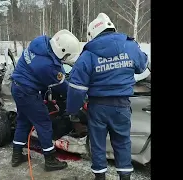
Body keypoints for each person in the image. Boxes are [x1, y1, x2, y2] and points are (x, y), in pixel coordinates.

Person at [66, 13, 149, 180]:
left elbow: (76, 87)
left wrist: (72, 110)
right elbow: (142, 66)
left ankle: (100, 177)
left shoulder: (88, 55)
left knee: (98, 144)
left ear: (93, 34)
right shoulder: (130, 46)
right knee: (122, 142)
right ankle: (125, 177)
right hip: (122, 106)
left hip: (98, 107)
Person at [10, 29, 81, 171]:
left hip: (17, 87)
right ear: (61, 50)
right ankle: (50, 160)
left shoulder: (41, 42)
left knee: (24, 121)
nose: (65, 57)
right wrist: (78, 96)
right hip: (27, 93)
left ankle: (16, 155)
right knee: (44, 123)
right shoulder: (46, 66)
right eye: (66, 55)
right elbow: (62, 87)